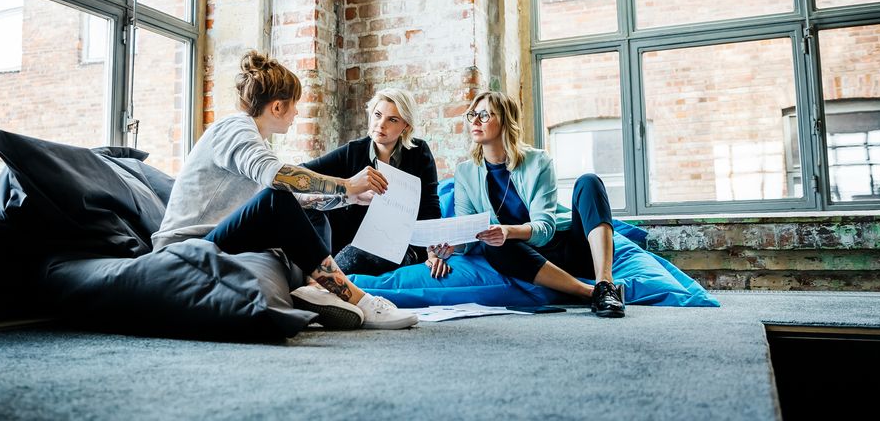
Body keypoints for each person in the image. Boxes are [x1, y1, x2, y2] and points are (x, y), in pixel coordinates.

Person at [151, 50, 418, 330]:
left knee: (312, 211)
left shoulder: (254, 139)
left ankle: (315, 288)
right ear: (278, 107)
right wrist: (348, 184)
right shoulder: (234, 129)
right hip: (184, 251)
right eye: (294, 105)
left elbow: (297, 197)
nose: (297, 113)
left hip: (214, 242)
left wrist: (347, 197)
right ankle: (358, 299)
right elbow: (278, 178)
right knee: (277, 198)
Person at [429, 90, 625, 317]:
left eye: (484, 115)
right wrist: (451, 247)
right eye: (472, 114)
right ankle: (589, 293)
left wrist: (508, 231)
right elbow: (470, 235)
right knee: (491, 245)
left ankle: (605, 284)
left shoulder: (538, 161)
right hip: (525, 261)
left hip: (565, 250)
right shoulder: (465, 172)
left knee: (589, 182)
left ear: (504, 121)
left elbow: (545, 229)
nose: (475, 120)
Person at [300, 88, 442, 276]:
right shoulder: (353, 152)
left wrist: (431, 252)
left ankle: (321, 283)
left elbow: (429, 207)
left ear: (405, 127)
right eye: (377, 115)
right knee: (307, 207)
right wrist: (350, 188)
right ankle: (319, 277)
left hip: (398, 246)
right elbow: (302, 172)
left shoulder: (419, 152)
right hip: (349, 241)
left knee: (361, 253)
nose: (380, 124)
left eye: (392, 119)